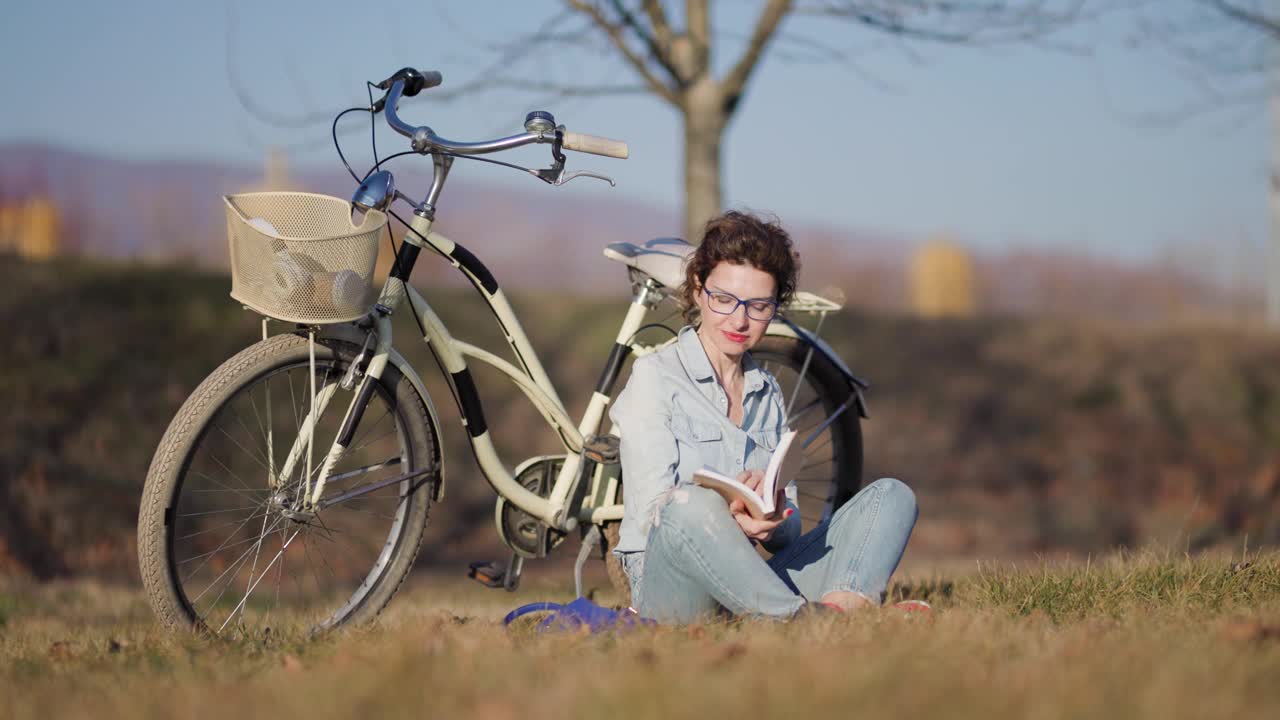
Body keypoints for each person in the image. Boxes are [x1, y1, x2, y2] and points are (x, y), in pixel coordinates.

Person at [609, 210, 921, 623]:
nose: (739, 320)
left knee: (892, 496)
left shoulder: (767, 391)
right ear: (699, 290)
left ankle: (841, 613)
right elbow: (655, 518)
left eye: (758, 306)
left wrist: (772, 519)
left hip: (748, 582)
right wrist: (729, 519)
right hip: (671, 590)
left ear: (775, 307)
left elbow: (788, 534)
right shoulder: (655, 378)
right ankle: (801, 621)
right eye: (724, 299)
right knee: (690, 504)